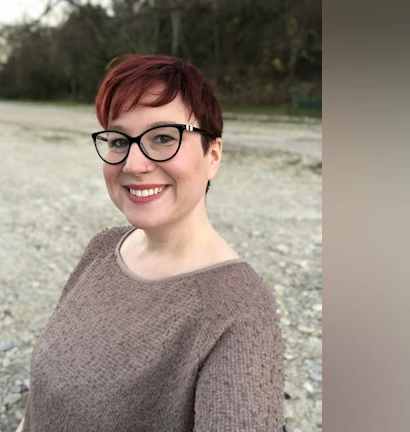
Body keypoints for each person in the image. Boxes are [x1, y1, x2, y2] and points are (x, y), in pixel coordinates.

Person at [17, 54, 285, 432]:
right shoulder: (102, 249)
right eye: (118, 139)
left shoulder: (239, 313)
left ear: (213, 154)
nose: (133, 163)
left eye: (162, 137)